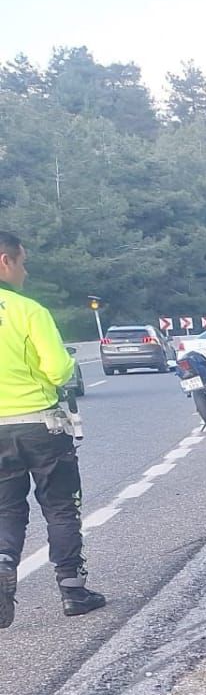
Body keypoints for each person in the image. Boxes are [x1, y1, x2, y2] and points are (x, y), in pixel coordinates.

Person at [0, 231, 105, 628]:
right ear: (5, 261)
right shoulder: (29, 310)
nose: (25, 270)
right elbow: (59, 369)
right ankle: (73, 590)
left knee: (6, 508)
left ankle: (4, 561)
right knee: (60, 507)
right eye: (23, 262)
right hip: (40, 424)